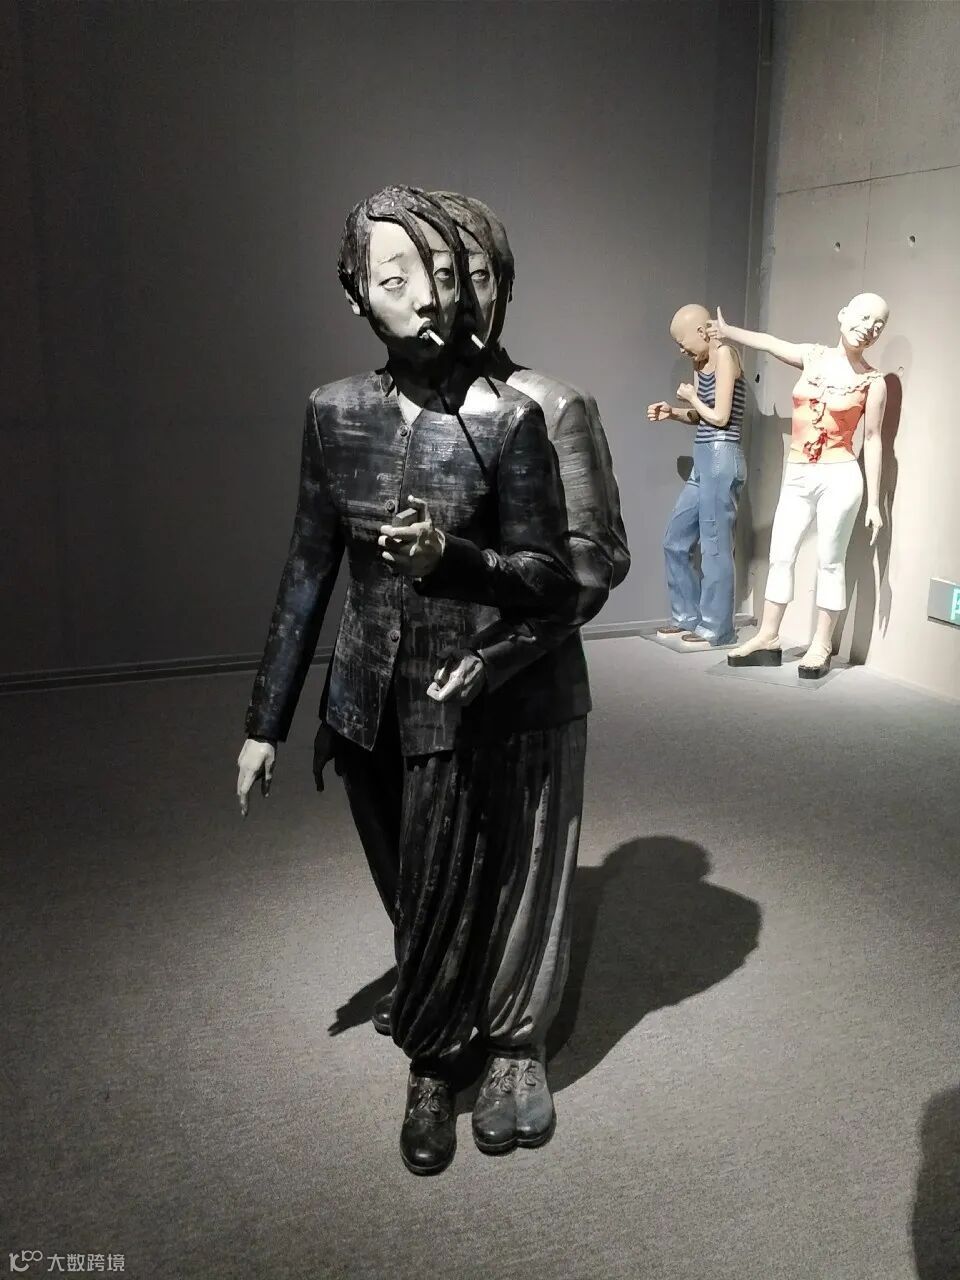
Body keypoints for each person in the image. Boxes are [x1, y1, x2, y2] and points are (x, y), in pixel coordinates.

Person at [236, 185, 581, 1176]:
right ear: (356, 294)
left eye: (435, 273)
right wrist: (266, 719)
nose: (424, 296)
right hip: (362, 701)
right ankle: (443, 1001)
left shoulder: (508, 422)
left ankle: (432, 1067)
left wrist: (452, 558)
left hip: (454, 698)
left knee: (440, 878)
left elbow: (550, 578)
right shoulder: (333, 412)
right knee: (408, 890)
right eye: (393, 279)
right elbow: (308, 566)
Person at [416, 189, 629, 1155]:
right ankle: (443, 1007)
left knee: (531, 862)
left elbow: (593, 563)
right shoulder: (392, 408)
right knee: (434, 860)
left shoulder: (551, 404)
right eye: (442, 277)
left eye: (478, 275)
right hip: (422, 688)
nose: (460, 299)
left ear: (504, 286)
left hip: (531, 685)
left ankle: (515, 1043)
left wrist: (496, 652)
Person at [711, 294, 889, 676]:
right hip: (798, 472)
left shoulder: (872, 382)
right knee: (781, 553)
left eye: (878, 326)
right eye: (863, 318)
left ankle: (822, 644)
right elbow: (770, 342)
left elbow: (873, 439)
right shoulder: (813, 356)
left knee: (830, 561)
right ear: (843, 314)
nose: (868, 329)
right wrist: (728, 331)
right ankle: (768, 635)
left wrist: (875, 503)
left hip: (840, 475)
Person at [647, 304, 747, 649]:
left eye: (682, 342)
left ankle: (717, 627)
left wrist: (690, 396)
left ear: (702, 331)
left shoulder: (726, 356)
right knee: (674, 539)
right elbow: (702, 416)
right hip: (704, 458)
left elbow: (720, 417)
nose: (681, 350)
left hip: (722, 456)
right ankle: (685, 617)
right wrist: (674, 412)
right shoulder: (701, 362)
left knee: (715, 546)